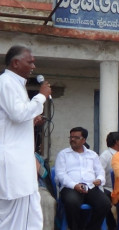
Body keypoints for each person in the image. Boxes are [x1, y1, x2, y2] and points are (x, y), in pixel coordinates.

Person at [0, 45, 51, 229]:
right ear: (15, 63)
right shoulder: (6, 82)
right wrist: (41, 97)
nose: (33, 66)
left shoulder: (14, 84)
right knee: (14, 217)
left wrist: (31, 121)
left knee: (28, 215)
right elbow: (18, 114)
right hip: (14, 164)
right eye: (30, 62)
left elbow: (11, 120)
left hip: (20, 164)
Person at [55, 127, 111, 230]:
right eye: (71, 137)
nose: (72, 139)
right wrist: (74, 185)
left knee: (105, 203)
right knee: (72, 202)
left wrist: (99, 179)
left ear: (84, 140)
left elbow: (100, 171)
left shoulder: (92, 154)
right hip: (70, 187)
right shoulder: (63, 154)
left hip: (90, 186)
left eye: (76, 137)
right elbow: (60, 174)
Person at [99, 131, 119, 230]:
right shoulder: (105, 156)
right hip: (108, 188)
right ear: (117, 142)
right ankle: (112, 225)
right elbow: (98, 173)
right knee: (104, 200)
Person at [35, 152, 57, 230]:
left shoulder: (36, 156)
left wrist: (37, 165)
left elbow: (44, 174)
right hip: (16, 189)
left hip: (37, 187)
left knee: (49, 201)